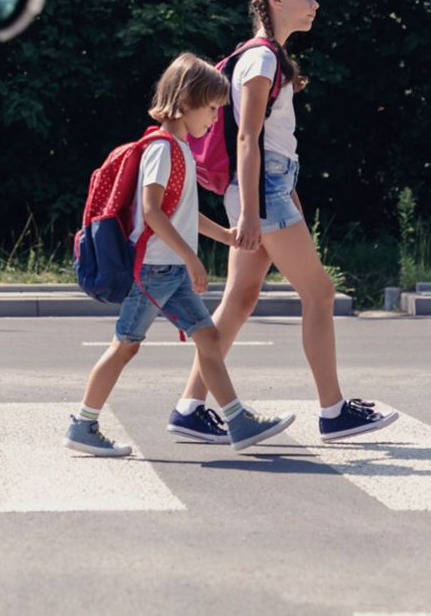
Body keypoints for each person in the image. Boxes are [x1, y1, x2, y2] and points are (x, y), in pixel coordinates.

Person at [168, 0, 399, 443]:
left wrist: (279, 195)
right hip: (261, 191)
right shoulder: (262, 60)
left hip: (269, 188)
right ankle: (333, 411)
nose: (314, 4)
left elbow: (269, 143)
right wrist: (254, 212)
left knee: (240, 298)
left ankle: (189, 407)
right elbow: (247, 139)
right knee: (319, 294)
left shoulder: (267, 58)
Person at [63, 53, 295, 457]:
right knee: (125, 346)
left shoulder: (180, 149)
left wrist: (225, 235)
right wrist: (192, 258)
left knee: (207, 337)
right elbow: (152, 211)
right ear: (185, 101)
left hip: (166, 270)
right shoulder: (162, 148)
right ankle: (84, 424)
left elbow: (182, 213)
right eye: (210, 109)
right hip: (153, 270)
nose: (213, 121)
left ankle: (238, 421)